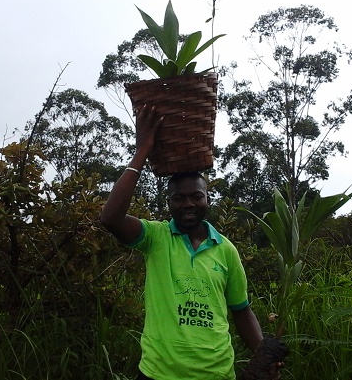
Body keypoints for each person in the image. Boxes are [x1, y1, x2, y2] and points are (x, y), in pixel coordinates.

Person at [100, 105, 277, 379]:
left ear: (208, 199)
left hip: (216, 373)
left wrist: (263, 356)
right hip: (158, 373)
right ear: (168, 202)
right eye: (179, 198)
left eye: (196, 196)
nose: (188, 204)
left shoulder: (226, 249)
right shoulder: (155, 237)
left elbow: (241, 310)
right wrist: (142, 150)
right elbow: (110, 218)